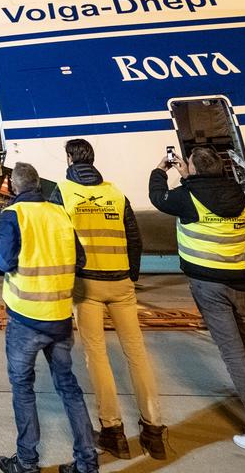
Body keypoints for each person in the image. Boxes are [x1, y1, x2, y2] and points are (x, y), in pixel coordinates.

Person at [150, 146, 245, 461]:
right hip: (239, 284)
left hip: (209, 286)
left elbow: (159, 198)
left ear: (193, 169)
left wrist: (161, 170)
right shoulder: (238, 199)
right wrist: (192, 177)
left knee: (234, 358)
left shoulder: (187, 198)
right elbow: (215, 200)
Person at [49, 138, 167, 460]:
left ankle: (113, 431)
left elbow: (59, 239)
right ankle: (154, 431)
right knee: (137, 354)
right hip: (121, 284)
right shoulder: (116, 193)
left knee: (97, 356)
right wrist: (132, 275)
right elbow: (134, 238)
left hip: (86, 287)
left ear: (70, 159)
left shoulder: (63, 192)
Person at [0, 162, 99, 473]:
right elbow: (80, 259)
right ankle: (87, 463)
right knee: (69, 389)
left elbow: (4, 261)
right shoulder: (60, 213)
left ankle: (27, 463)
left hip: (26, 319)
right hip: (60, 317)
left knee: (23, 388)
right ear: (38, 184)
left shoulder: (12, 215)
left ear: (14, 187)